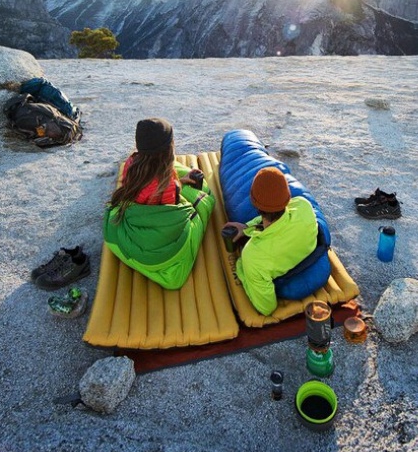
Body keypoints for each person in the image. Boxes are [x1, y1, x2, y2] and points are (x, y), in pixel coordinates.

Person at [104, 118, 214, 290]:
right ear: (169, 148)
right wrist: (181, 187)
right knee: (205, 202)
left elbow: (147, 191)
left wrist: (180, 181)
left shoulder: (131, 164)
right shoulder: (168, 186)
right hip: (158, 245)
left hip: (134, 231)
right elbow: (172, 220)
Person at [223, 167, 318, 316]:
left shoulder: (253, 255)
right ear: (287, 196)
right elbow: (278, 219)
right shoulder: (303, 205)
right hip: (307, 256)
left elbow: (266, 307)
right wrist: (247, 228)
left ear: (255, 203)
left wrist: (241, 269)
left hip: (278, 274)